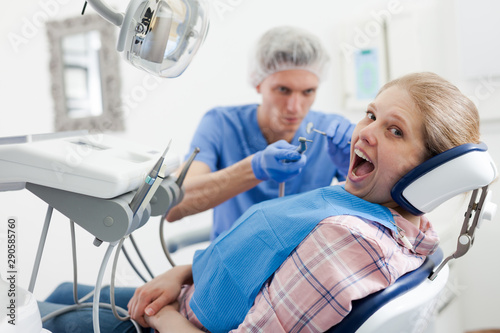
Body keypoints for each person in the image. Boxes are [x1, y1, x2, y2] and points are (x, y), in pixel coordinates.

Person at [39, 72, 481, 332]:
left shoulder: (345, 240)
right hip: (193, 289)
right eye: (370, 114)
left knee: (39, 313)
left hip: (182, 320)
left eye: (394, 130)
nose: (363, 132)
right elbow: (189, 210)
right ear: (259, 84)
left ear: (431, 173)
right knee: (61, 294)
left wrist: (162, 314)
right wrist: (182, 272)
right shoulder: (409, 227)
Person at [166, 26, 355, 239]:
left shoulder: (330, 133)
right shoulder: (221, 124)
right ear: (258, 83)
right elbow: (173, 207)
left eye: (308, 91)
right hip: (232, 265)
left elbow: (384, 217)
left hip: (302, 268)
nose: (295, 107)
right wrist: (254, 169)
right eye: (283, 90)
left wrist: (356, 174)